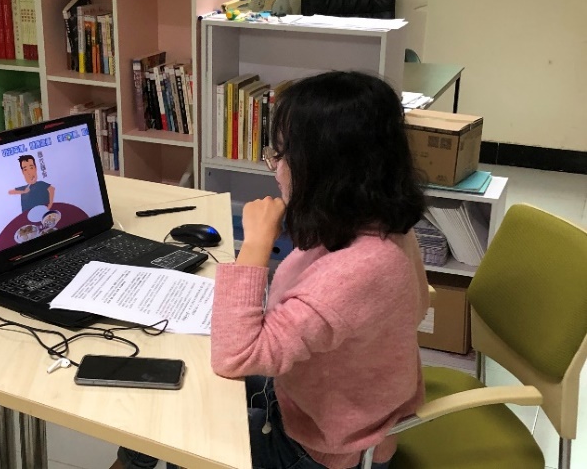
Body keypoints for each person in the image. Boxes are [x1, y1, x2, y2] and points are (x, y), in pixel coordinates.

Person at [110, 70, 430, 469]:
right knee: (179, 371)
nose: (274, 168)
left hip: (319, 450)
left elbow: (236, 356)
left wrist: (256, 244)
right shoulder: (381, 223)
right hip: (315, 400)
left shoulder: (358, 270)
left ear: (324, 167)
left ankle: (132, 464)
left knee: (176, 424)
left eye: (281, 155)